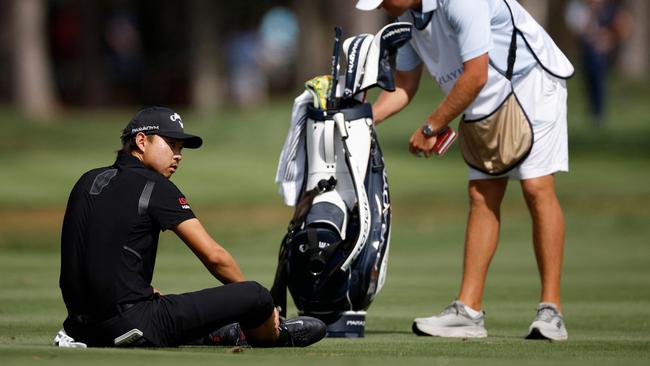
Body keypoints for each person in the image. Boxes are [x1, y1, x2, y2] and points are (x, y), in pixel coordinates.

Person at [356, 0, 574, 341]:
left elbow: (476, 74)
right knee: (482, 195)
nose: (382, 6)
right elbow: (405, 85)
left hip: (531, 81)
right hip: (482, 95)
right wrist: (360, 118)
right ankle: (468, 312)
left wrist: (432, 127)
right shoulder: (410, 18)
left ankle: (551, 311)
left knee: (536, 187)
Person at [55, 106, 326, 348]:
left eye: (180, 148)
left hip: (79, 328)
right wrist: (260, 307)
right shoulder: (156, 186)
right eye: (171, 144)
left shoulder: (87, 180)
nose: (178, 155)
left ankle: (219, 334)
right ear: (141, 141)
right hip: (132, 326)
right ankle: (276, 334)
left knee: (159, 300)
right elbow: (215, 258)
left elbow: (90, 255)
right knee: (254, 294)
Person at [565, 0, 633, 126]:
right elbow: (576, 28)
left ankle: (599, 113)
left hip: (601, 54)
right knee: (588, 81)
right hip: (586, 51)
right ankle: (593, 112)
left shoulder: (610, 10)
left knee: (598, 81)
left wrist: (609, 39)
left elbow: (625, 25)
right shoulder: (581, 9)